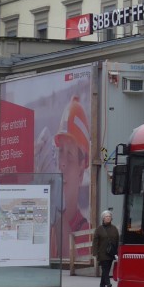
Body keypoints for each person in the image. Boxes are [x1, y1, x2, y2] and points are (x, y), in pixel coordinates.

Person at [55, 95, 93, 256]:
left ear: (81, 171)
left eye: (69, 155)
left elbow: (73, 262)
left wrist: (57, 212)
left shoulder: (86, 231)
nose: (62, 163)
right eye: (60, 152)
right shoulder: (48, 223)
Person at [91, 210, 120, 287]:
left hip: (111, 252)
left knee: (107, 268)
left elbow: (117, 240)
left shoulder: (114, 229)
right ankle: (108, 283)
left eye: (109, 216)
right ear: (103, 218)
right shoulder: (99, 229)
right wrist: (95, 252)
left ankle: (102, 285)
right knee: (105, 268)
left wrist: (118, 252)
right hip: (102, 252)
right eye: (106, 216)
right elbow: (95, 241)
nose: (108, 218)